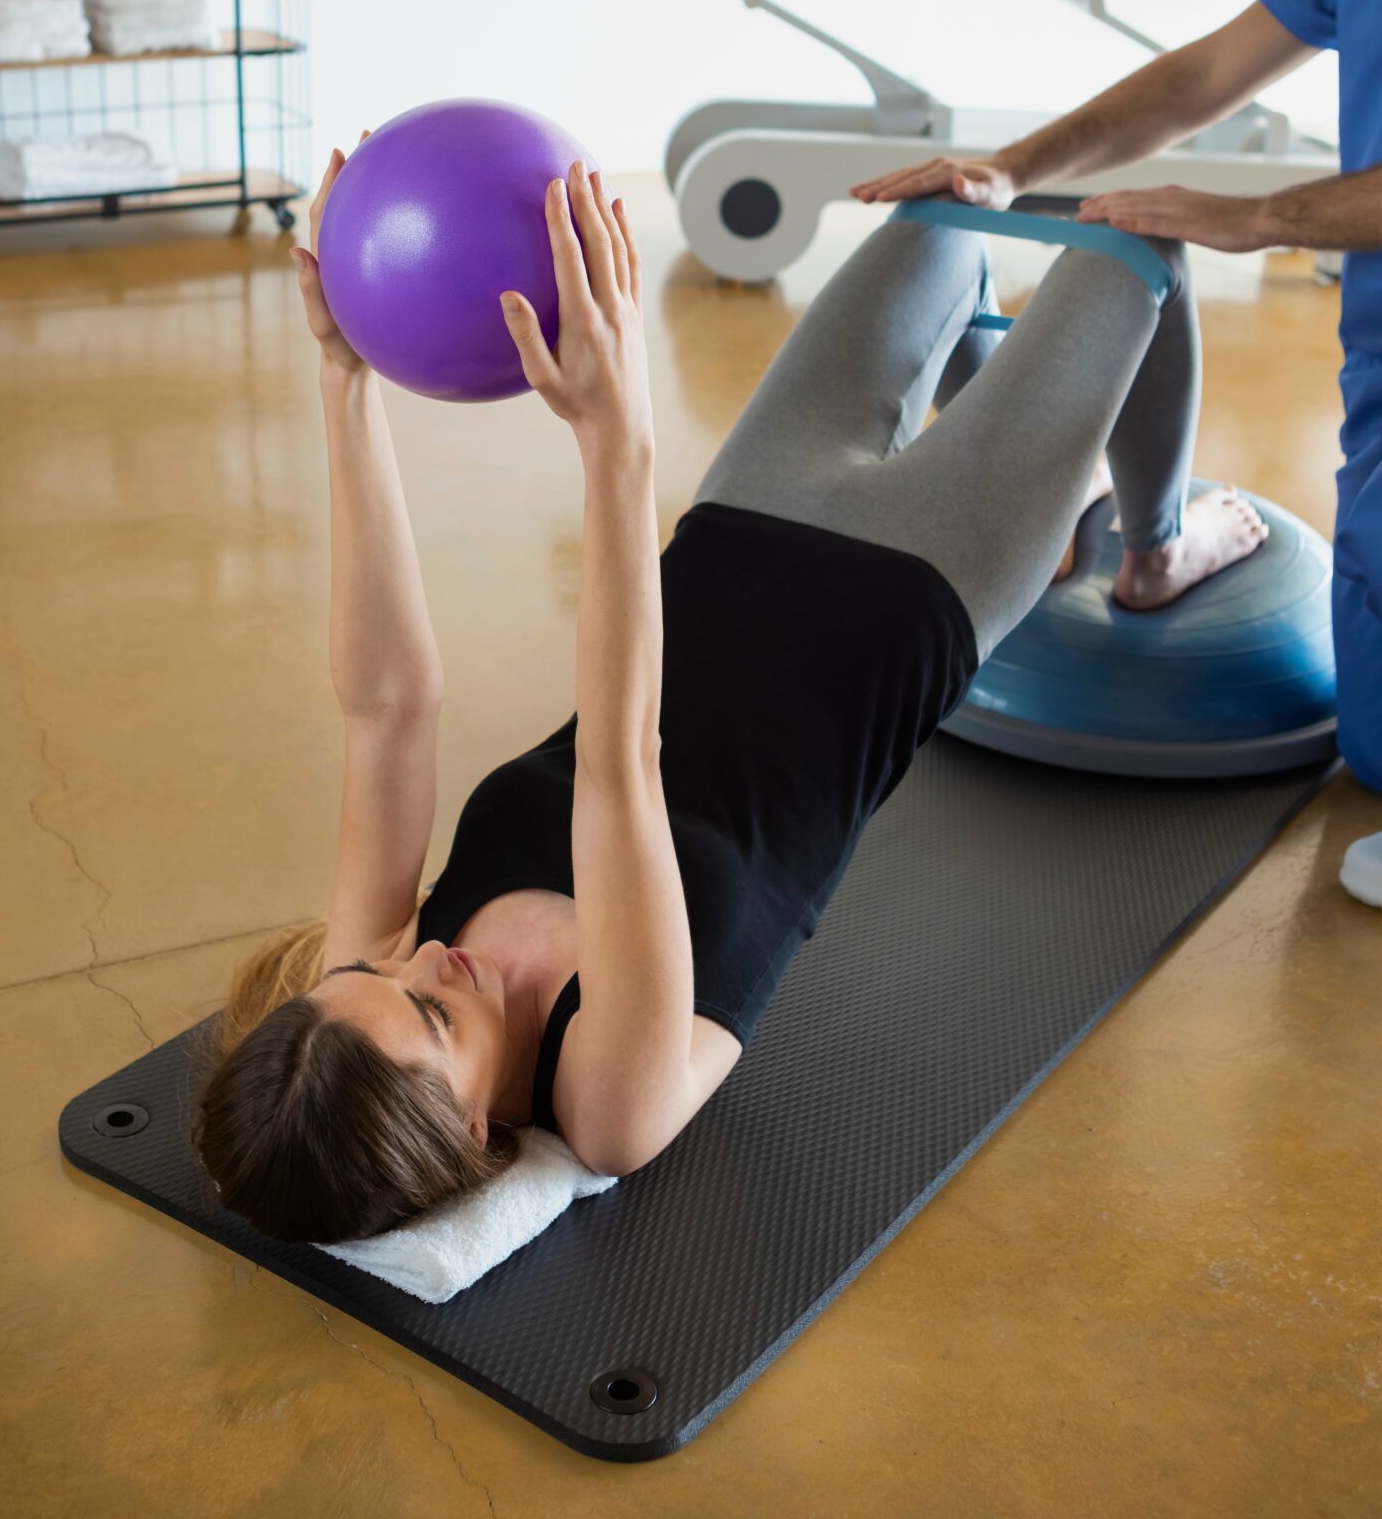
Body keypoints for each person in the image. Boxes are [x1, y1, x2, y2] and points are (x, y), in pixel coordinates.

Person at [194, 146, 1266, 1243]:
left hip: (749, 515)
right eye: (433, 1008)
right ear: (470, 1128)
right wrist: (616, 441)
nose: (419, 956)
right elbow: (621, 764)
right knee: (1135, 236)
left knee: (945, 211)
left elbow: (385, 705)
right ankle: (1153, 551)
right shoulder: (610, 1100)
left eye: (379, 972)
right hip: (920, 597)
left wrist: (343, 376)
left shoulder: (369, 988)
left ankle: (1026, 437)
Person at [849, 0, 1382, 906]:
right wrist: (1009, 167)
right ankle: (1108, 513)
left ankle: (1125, 521)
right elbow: (1200, 76)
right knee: (1372, 749)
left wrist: (1262, 216)